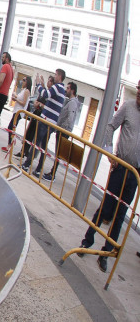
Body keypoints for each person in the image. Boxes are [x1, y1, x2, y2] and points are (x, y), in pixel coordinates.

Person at [78, 79, 140, 273]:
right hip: (120, 168)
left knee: (120, 215)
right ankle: (87, 241)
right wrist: (109, 150)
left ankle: (106, 252)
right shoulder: (128, 107)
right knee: (106, 208)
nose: (138, 93)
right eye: (138, 89)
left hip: (135, 175)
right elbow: (111, 126)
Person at [23, 69, 67, 177]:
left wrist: (38, 84)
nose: (54, 76)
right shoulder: (61, 89)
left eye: (56, 75)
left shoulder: (57, 87)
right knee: (43, 146)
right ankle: (38, 169)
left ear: (60, 76)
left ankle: (27, 164)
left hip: (46, 120)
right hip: (51, 122)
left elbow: (44, 94)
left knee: (37, 143)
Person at [40, 82, 80, 181]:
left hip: (64, 131)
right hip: (62, 130)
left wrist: (63, 129)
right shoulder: (70, 102)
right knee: (58, 153)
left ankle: (52, 174)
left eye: (68, 88)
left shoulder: (73, 103)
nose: (66, 90)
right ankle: (52, 172)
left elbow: (70, 118)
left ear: (72, 90)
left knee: (58, 154)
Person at [4, 76, 32, 153]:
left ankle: (10, 144)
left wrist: (16, 99)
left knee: (11, 127)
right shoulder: (23, 90)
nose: (22, 82)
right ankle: (9, 144)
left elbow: (23, 103)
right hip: (16, 111)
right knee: (11, 127)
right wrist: (15, 96)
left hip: (19, 112)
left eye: (24, 80)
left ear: (27, 82)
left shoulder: (26, 91)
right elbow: (20, 99)